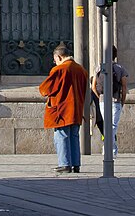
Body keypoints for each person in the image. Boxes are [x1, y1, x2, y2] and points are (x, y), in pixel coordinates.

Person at [38, 42, 89, 174]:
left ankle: (64, 163)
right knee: (74, 136)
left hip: (62, 109)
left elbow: (45, 89)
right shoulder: (81, 70)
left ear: (59, 57)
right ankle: (76, 164)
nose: (55, 63)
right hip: (77, 109)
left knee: (61, 135)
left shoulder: (60, 69)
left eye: (55, 60)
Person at [92, 47, 128, 157]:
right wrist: (122, 100)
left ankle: (112, 148)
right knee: (113, 126)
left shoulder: (98, 68)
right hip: (115, 100)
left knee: (108, 125)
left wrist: (100, 97)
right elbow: (124, 86)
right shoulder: (120, 68)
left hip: (103, 100)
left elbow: (93, 86)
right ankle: (109, 149)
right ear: (115, 55)